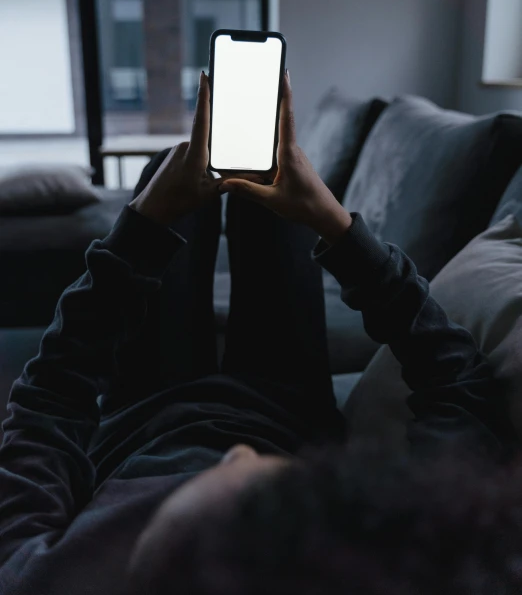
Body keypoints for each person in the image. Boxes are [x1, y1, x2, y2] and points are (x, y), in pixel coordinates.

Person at [0, 72, 510, 595]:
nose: (239, 452)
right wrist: (338, 227)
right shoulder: (394, 558)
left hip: (142, 410)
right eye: (272, 493)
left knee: (167, 172)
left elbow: (47, 401)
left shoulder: (38, 580)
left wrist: (138, 230)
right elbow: (458, 382)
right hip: (284, 404)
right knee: (264, 187)